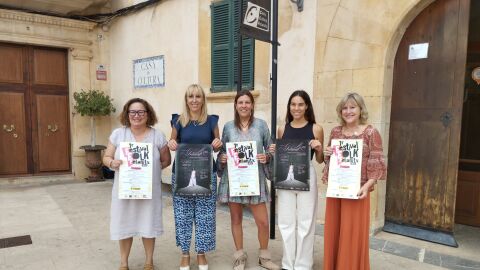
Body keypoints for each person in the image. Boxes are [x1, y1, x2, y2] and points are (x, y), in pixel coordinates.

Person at [103, 98, 171, 270]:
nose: (137, 115)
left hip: (149, 191)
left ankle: (149, 262)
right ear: (127, 114)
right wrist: (112, 163)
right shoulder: (118, 134)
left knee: (148, 223)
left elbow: (166, 160)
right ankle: (123, 263)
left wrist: (149, 170)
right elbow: (106, 157)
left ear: (148, 115)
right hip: (124, 190)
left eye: (141, 112)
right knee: (124, 223)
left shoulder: (157, 136)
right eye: (133, 112)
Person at [322, 92, 387, 270]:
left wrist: (366, 187)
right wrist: (327, 154)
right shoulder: (336, 131)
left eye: (352, 107)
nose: (348, 111)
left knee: (352, 234)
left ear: (360, 109)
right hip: (336, 191)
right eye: (345, 108)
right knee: (334, 231)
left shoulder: (371, 132)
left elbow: (377, 162)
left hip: (358, 191)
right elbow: (331, 160)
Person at [217, 90, 280, 270]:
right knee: (236, 219)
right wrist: (222, 158)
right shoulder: (228, 127)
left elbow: (270, 149)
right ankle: (239, 256)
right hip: (234, 180)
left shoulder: (261, 126)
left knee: (263, 221)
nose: (244, 105)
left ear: (252, 105)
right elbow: (223, 151)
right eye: (240, 102)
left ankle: (264, 257)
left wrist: (267, 157)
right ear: (235, 106)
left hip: (255, 179)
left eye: (247, 102)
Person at [167, 84, 222, 270]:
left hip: (206, 173)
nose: (194, 100)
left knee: (205, 215)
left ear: (203, 99)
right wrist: (172, 143)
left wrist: (217, 144)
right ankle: (184, 253)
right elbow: (172, 141)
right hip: (182, 173)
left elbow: (217, 145)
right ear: (186, 99)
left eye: (198, 96)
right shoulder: (178, 121)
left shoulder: (212, 121)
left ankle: (201, 253)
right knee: (182, 214)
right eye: (190, 96)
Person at [268, 90, 324, 270]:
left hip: (307, 174)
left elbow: (321, 160)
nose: (296, 108)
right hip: (286, 176)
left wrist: (319, 148)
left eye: (300, 104)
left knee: (306, 222)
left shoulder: (316, 128)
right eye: (293, 104)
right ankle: (287, 263)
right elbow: (280, 155)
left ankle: (303, 265)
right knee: (286, 221)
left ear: (307, 105)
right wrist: (273, 152)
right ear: (289, 107)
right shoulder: (282, 129)